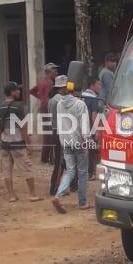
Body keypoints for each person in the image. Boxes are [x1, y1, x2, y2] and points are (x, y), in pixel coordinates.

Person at [0, 82, 41, 202]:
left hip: (5, 145)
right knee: (27, 168)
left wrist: (0, 141)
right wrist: (29, 144)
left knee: (6, 170)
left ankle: (11, 195)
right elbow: (23, 127)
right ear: (11, 92)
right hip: (18, 144)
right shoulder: (18, 107)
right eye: (17, 90)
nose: (19, 92)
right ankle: (33, 194)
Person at [52, 76, 92, 213]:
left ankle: (59, 195)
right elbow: (84, 127)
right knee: (82, 172)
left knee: (70, 171)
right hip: (79, 143)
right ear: (71, 87)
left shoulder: (59, 104)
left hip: (66, 142)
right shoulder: (80, 104)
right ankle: (82, 202)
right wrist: (89, 141)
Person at [30, 62, 59, 163]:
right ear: (49, 72)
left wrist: (41, 98)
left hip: (43, 108)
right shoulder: (50, 83)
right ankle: (48, 158)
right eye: (54, 70)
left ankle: (45, 158)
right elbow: (49, 97)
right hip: (48, 108)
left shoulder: (41, 81)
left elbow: (32, 91)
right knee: (51, 134)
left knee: (47, 133)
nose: (56, 72)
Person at [48, 77, 67, 196]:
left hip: (55, 131)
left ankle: (59, 185)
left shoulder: (52, 100)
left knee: (61, 160)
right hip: (60, 132)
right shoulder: (61, 100)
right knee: (59, 162)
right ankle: (54, 188)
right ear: (62, 88)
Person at [81, 76, 103, 180]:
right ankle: (90, 173)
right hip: (90, 128)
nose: (100, 86)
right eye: (98, 84)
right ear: (92, 85)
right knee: (91, 151)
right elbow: (94, 116)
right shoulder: (93, 98)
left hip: (79, 128)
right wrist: (98, 130)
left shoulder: (81, 96)